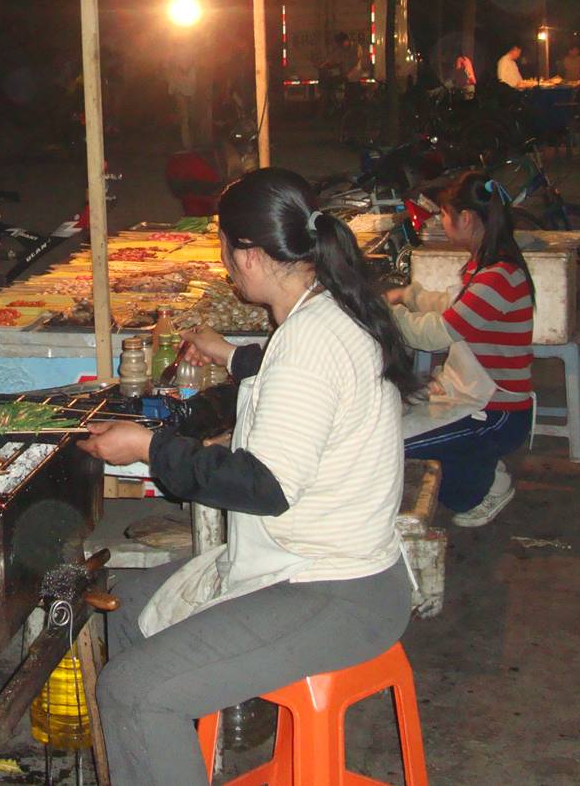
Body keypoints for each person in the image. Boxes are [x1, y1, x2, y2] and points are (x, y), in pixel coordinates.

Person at [81, 169, 418, 786]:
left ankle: (154, 723)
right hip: (323, 567)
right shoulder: (325, 310)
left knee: (131, 692)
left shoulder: (312, 339)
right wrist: (231, 361)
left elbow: (263, 486)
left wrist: (148, 447)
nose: (225, 263)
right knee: (127, 607)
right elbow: (292, 383)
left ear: (252, 255)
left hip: (334, 590)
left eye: (225, 249)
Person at [389, 172, 534, 526]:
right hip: (479, 396)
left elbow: (439, 333)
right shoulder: (485, 266)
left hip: (499, 412)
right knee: (394, 424)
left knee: (395, 450)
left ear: (466, 219)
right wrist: (408, 296)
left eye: (444, 214)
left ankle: (487, 483)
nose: (440, 221)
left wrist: (383, 314)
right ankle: (475, 456)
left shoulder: (497, 276)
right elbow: (454, 306)